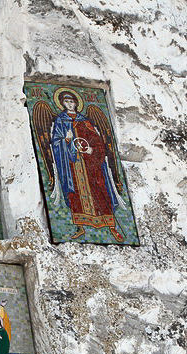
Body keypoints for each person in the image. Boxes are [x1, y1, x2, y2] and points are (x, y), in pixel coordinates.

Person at [50, 91, 123, 242]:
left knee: (100, 189)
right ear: (62, 104)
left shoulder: (85, 121)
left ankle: (111, 227)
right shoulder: (60, 121)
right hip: (73, 164)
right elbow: (55, 143)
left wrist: (91, 150)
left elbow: (97, 141)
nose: (69, 104)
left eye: (72, 101)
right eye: (66, 101)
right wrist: (66, 140)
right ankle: (80, 227)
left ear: (76, 103)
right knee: (76, 193)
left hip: (91, 163)